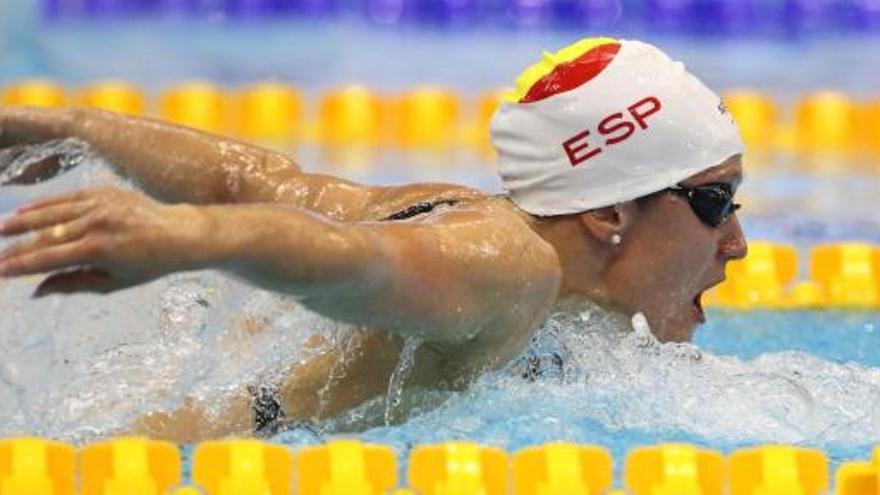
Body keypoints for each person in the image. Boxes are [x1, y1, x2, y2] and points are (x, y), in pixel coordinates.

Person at [0, 37, 747, 441]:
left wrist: (81, 129)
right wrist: (187, 235)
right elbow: (354, 263)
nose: (737, 242)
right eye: (714, 202)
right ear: (608, 212)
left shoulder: (459, 210)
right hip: (156, 457)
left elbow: (254, 179)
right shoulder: (511, 268)